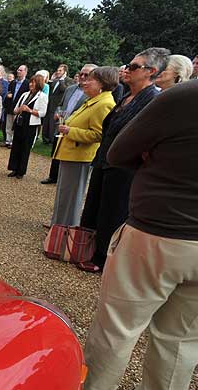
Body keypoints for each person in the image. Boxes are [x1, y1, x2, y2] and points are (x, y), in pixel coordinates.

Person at [79, 23, 198, 390]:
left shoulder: (191, 95)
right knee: (187, 338)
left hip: (162, 230)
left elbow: (120, 150)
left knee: (121, 321)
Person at [78, 49, 168, 273]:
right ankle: (87, 247)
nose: (127, 70)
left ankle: (103, 258)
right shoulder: (125, 96)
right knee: (95, 207)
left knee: (113, 211)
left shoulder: (152, 100)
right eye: (128, 65)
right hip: (105, 161)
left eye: (134, 67)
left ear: (151, 72)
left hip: (124, 168)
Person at [48, 66, 117, 226]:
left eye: (90, 79)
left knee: (71, 198)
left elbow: (98, 134)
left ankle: (65, 232)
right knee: (64, 195)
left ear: (102, 83)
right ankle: (57, 227)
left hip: (79, 156)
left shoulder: (104, 104)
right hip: (71, 154)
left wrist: (70, 131)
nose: (84, 82)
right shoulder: (93, 101)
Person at [41, 64, 96, 185]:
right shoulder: (70, 89)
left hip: (75, 130)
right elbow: (60, 105)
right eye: (81, 74)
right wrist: (57, 113)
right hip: (61, 125)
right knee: (56, 151)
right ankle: (53, 176)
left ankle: (64, 179)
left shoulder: (92, 94)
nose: (82, 77)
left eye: (86, 75)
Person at [7, 74, 48, 179]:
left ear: (38, 84)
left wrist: (29, 110)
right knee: (16, 146)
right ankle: (14, 168)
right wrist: (20, 109)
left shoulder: (42, 96)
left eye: (33, 83)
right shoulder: (25, 94)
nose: (31, 84)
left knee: (25, 148)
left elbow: (42, 113)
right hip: (19, 123)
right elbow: (15, 109)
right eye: (30, 82)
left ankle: (21, 171)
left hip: (30, 125)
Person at [43, 64, 74, 144]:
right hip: (50, 104)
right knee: (47, 122)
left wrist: (62, 80)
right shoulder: (56, 80)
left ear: (65, 72)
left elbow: (64, 89)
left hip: (58, 105)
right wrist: (51, 81)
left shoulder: (69, 80)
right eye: (57, 70)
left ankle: (52, 140)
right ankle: (45, 139)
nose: (58, 72)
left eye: (60, 70)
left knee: (53, 123)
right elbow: (50, 91)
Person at [3, 65, 29, 149]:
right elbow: (9, 92)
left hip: (19, 107)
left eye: (21, 70)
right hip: (10, 106)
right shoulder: (13, 82)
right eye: (18, 70)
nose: (18, 71)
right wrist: (8, 96)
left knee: (15, 125)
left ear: (25, 72)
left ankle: (14, 141)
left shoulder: (27, 83)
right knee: (8, 125)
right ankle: (8, 140)